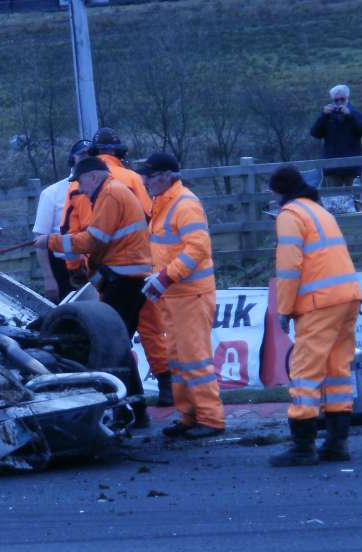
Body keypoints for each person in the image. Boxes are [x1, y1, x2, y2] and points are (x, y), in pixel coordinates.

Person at [35, 156, 153, 427]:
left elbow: (94, 240)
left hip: (125, 279)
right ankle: (135, 408)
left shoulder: (110, 194)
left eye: (80, 183)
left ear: (93, 177)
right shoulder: (111, 193)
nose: (80, 190)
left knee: (110, 343)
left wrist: (50, 241)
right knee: (119, 342)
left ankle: (129, 409)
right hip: (127, 277)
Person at [267, 166, 362, 467]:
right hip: (347, 297)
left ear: (279, 191)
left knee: (305, 372)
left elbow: (289, 267)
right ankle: (337, 442)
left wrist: (284, 308)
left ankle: (303, 446)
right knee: (337, 370)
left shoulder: (289, 215)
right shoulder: (319, 211)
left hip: (318, 303)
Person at [138, 152, 225, 439]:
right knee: (177, 359)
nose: (145, 180)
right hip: (175, 295)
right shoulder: (164, 203)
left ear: (167, 176)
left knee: (195, 359)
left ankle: (210, 419)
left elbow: (197, 248)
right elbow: (170, 250)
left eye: (149, 175)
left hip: (191, 295)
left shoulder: (184, 204)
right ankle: (189, 416)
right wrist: (160, 280)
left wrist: (164, 277)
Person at [90, 128, 172, 406]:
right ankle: (165, 386)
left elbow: (75, 229)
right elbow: (150, 216)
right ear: (119, 152)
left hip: (103, 270)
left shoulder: (78, 183)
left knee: (110, 334)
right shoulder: (133, 179)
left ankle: (122, 393)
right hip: (142, 266)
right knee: (150, 327)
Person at [32, 140, 90, 303]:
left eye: (91, 155)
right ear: (73, 159)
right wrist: (49, 278)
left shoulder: (102, 191)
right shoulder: (52, 193)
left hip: (94, 264)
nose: (87, 159)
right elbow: (40, 240)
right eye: (83, 155)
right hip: (62, 267)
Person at [310, 84, 362, 187]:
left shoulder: (356, 114)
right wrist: (323, 116)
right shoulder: (327, 116)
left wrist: (350, 116)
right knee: (334, 200)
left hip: (352, 166)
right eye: (336, 100)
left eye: (342, 99)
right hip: (332, 168)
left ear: (347, 98)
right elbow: (315, 133)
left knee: (355, 200)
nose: (339, 102)